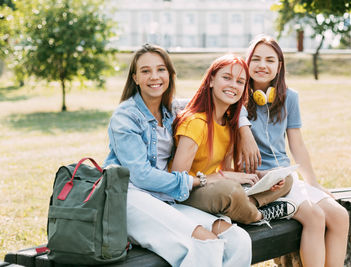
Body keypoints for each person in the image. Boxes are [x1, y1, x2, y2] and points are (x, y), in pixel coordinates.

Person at [103, 44, 252, 267]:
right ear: (135, 78)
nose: (154, 77)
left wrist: (244, 128)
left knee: (238, 240)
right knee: (207, 244)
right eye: (145, 71)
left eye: (161, 69)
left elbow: (225, 96)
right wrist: (201, 180)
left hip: (164, 199)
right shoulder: (126, 117)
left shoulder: (173, 109)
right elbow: (140, 176)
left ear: (170, 74)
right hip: (130, 199)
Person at [241, 34, 349, 267]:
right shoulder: (236, 97)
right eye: (256, 59)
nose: (262, 65)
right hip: (257, 181)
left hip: (286, 176)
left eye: (270, 60)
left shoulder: (289, 97)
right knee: (315, 217)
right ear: (246, 62)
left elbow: (296, 143)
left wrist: (313, 182)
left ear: (279, 66)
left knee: (340, 216)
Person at [171, 54, 296, 225]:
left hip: (220, 188)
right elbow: (177, 179)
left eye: (239, 82)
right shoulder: (195, 123)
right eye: (227, 78)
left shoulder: (229, 123)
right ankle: (259, 216)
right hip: (190, 193)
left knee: (285, 179)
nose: (233, 85)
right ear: (211, 80)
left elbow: (227, 169)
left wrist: (260, 176)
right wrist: (223, 176)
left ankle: (244, 207)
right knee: (230, 191)